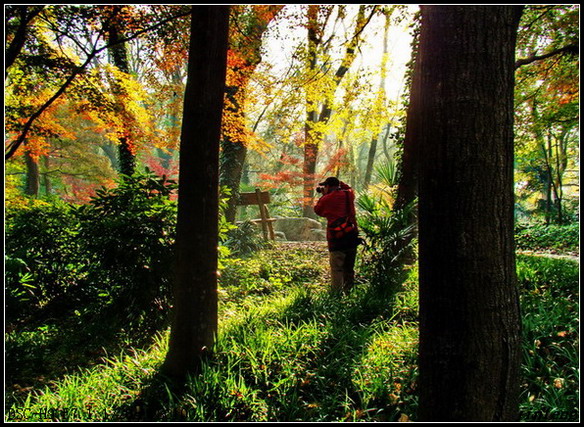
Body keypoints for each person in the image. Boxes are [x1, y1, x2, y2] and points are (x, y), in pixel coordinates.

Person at [314, 176, 361, 293]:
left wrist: (324, 195)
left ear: (328, 187)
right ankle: (349, 291)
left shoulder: (326, 199)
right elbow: (349, 188)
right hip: (351, 233)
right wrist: (339, 184)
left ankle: (336, 294)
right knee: (349, 267)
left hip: (335, 236)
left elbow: (317, 210)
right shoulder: (348, 195)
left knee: (336, 268)